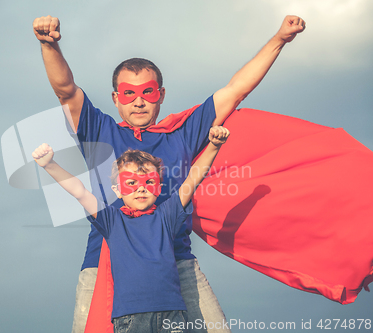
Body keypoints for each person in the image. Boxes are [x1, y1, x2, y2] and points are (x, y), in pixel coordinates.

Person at [32, 14, 305, 333]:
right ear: (115, 99)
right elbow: (65, 91)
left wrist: (279, 39)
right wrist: (48, 45)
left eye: (147, 93)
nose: (138, 102)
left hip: (177, 266)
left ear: (160, 94)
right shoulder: (99, 131)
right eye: (128, 94)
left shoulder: (182, 134)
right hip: (105, 264)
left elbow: (235, 91)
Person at [32, 125, 230, 333]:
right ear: (117, 191)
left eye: (149, 182)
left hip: (172, 314)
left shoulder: (167, 216)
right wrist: (50, 165)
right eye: (131, 182)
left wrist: (214, 146)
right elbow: (79, 191)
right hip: (130, 318)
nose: (141, 188)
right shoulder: (111, 220)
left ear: (159, 188)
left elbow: (193, 179)